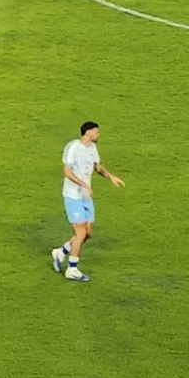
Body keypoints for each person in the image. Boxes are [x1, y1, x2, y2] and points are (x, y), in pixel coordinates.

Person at [50, 121, 123, 284]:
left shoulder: (92, 148)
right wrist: (84, 185)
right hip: (73, 196)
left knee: (88, 233)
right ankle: (72, 269)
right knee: (80, 233)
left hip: (86, 197)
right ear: (88, 132)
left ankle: (61, 252)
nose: (99, 135)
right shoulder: (73, 147)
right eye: (96, 132)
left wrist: (111, 177)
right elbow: (67, 172)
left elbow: (97, 167)